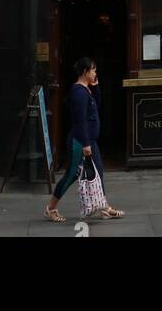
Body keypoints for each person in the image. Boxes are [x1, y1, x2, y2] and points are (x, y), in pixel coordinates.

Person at [44, 57, 124, 223]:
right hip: (80, 141)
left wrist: (96, 88)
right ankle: (51, 208)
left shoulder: (87, 89)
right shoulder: (79, 92)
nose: (95, 73)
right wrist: (86, 144)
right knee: (71, 175)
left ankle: (105, 208)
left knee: (99, 171)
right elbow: (79, 121)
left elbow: (98, 106)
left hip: (89, 140)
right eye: (93, 70)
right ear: (84, 72)